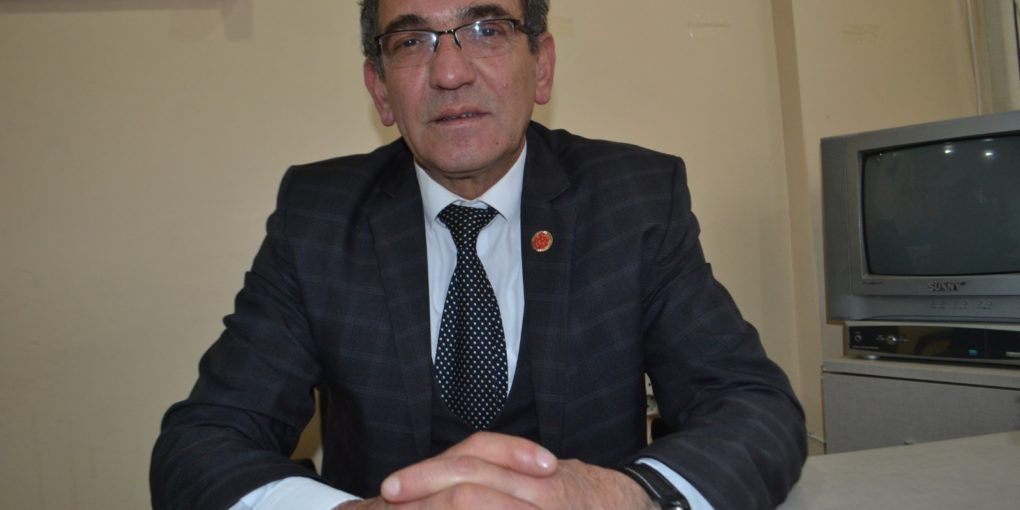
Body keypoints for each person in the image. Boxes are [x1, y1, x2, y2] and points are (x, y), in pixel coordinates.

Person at [150, 0, 807, 508]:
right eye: (412, 42)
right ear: (380, 89)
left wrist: (624, 495)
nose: (450, 73)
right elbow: (200, 444)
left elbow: (755, 408)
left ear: (541, 66)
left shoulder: (634, 200)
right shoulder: (318, 217)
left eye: (487, 29)